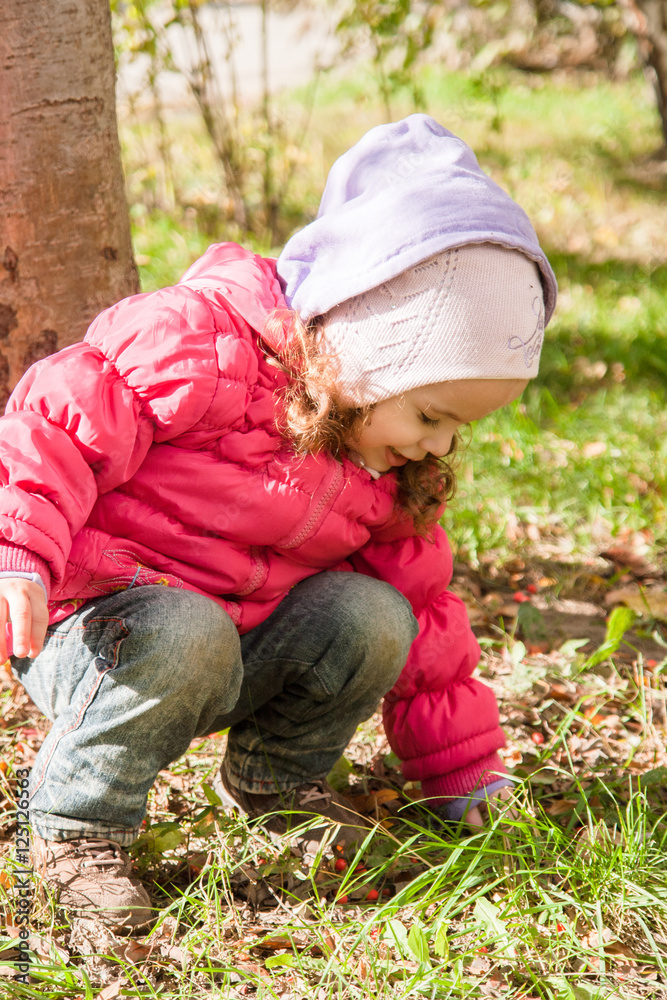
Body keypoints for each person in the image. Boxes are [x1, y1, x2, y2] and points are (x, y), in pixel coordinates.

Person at [1, 114, 557, 930]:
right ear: (369, 351)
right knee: (184, 630)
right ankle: (78, 826)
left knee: (376, 614)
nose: (436, 445)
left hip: (235, 646)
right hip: (98, 635)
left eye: (456, 430)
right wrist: (18, 552)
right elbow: (57, 427)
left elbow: (431, 628)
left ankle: (278, 784)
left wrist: (460, 770)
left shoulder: (387, 465)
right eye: (431, 413)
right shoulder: (200, 348)